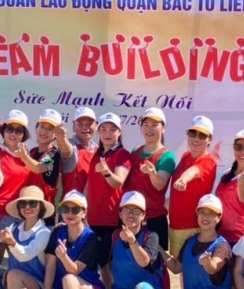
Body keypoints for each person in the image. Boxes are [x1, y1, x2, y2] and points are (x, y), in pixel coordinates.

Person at [96, 191, 165, 289]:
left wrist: (133, 242)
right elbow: (102, 263)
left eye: (136, 211)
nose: (131, 214)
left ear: (143, 216)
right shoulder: (113, 237)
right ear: (120, 214)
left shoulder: (151, 237)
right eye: (126, 210)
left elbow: (144, 261)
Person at [0, 185, 54, 289]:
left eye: (32, 203)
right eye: (23, 204)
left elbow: (24, 255)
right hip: (14, 287)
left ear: (41, 207)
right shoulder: (13, 228)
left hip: (38, 288)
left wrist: (11, 242)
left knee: (13, 274)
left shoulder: (44, 232)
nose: (27, 207)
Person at [43, 190, 104, 289]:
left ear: (84, 213)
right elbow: (50, 267)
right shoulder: (57, 231)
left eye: (75, 210)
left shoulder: (90, 237)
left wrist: (64, 257)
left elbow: (74, 270)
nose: (69, 213)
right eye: (65, 209)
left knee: (69, 279)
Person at [124, 107, 175, 252]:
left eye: (154, 125)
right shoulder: (135, 151)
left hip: (154, 219)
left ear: (163, 128)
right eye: (145, 125)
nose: (149, 129)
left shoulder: (167, 156)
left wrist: (152, 173)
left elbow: (160, 185)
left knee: (156, 263)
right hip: (132, 217)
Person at [85, 112, 132, 267]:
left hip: (112, 219)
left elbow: (118, 182)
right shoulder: (97, 154)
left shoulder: (122, 154)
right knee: (94, 264)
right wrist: (83, 210)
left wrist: (106, 172)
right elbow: (89, 184)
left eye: (112, 129)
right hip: (92, 218)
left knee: (108, 265)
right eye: (103, 129)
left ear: (119, 132)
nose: (107, 133)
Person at [168, 116, 219, 258]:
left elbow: (194, 170)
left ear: (210, 139)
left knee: (185, 267)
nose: (196, 138)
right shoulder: (186, 156)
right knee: (177, 266)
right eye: (192, 133)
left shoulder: (209, 161)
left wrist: (183, 179)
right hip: (175, 224)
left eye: (202, 135)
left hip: (191, 227)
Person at [0, 109, 33, 224]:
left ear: (23, 134)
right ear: (3, 130)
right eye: (9, 129)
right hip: (0, 214)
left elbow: (40, 169)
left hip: (22, 215)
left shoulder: (27, 155)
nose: (13, 134)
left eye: (18, 130)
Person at [22, 109, 67, 211]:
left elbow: (38, 168)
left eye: (50, 129)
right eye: (42, 126)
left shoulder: (54, 154)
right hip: (27, 206)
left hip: (44, 210)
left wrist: (24, 156)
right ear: (36, 127)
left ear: (56, 134)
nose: (44, 132)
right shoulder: (32, 151)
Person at [59, 106, 99, 195]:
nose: (85, 127)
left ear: (96, 126)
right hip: (72, 202)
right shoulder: (71, 145)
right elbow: (66, 150)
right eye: (80, 124)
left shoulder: (99, 150)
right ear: (73, 127)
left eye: (89, 124)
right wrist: (61, 137)